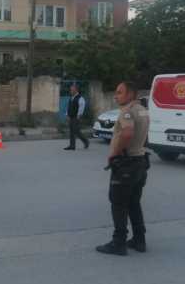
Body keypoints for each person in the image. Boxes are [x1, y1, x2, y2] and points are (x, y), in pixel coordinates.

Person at [96, 81, 150, 256]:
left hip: (126, 164)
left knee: (118, 203)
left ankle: (118, 242)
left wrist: (115, 153)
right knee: (134, 202)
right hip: (140, 162)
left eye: (120, 92)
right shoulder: (142, 110)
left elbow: (127, 133)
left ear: (130, 95)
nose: (116, 95)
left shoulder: (126, 111)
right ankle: (139, 240)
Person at [64, 83, 90, 150]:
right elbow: (68, 107)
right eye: (70, 90)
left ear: (76, 90)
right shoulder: (71, 97)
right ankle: (72, 146)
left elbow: (81, 107)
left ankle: (86, 141)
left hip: (76, 116)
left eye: (72, 90)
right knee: (72, 131)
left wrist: (79, 115)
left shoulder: (80, 98)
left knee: (76, 131)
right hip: (71, 116)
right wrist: (67, 114)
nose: (71, 91)